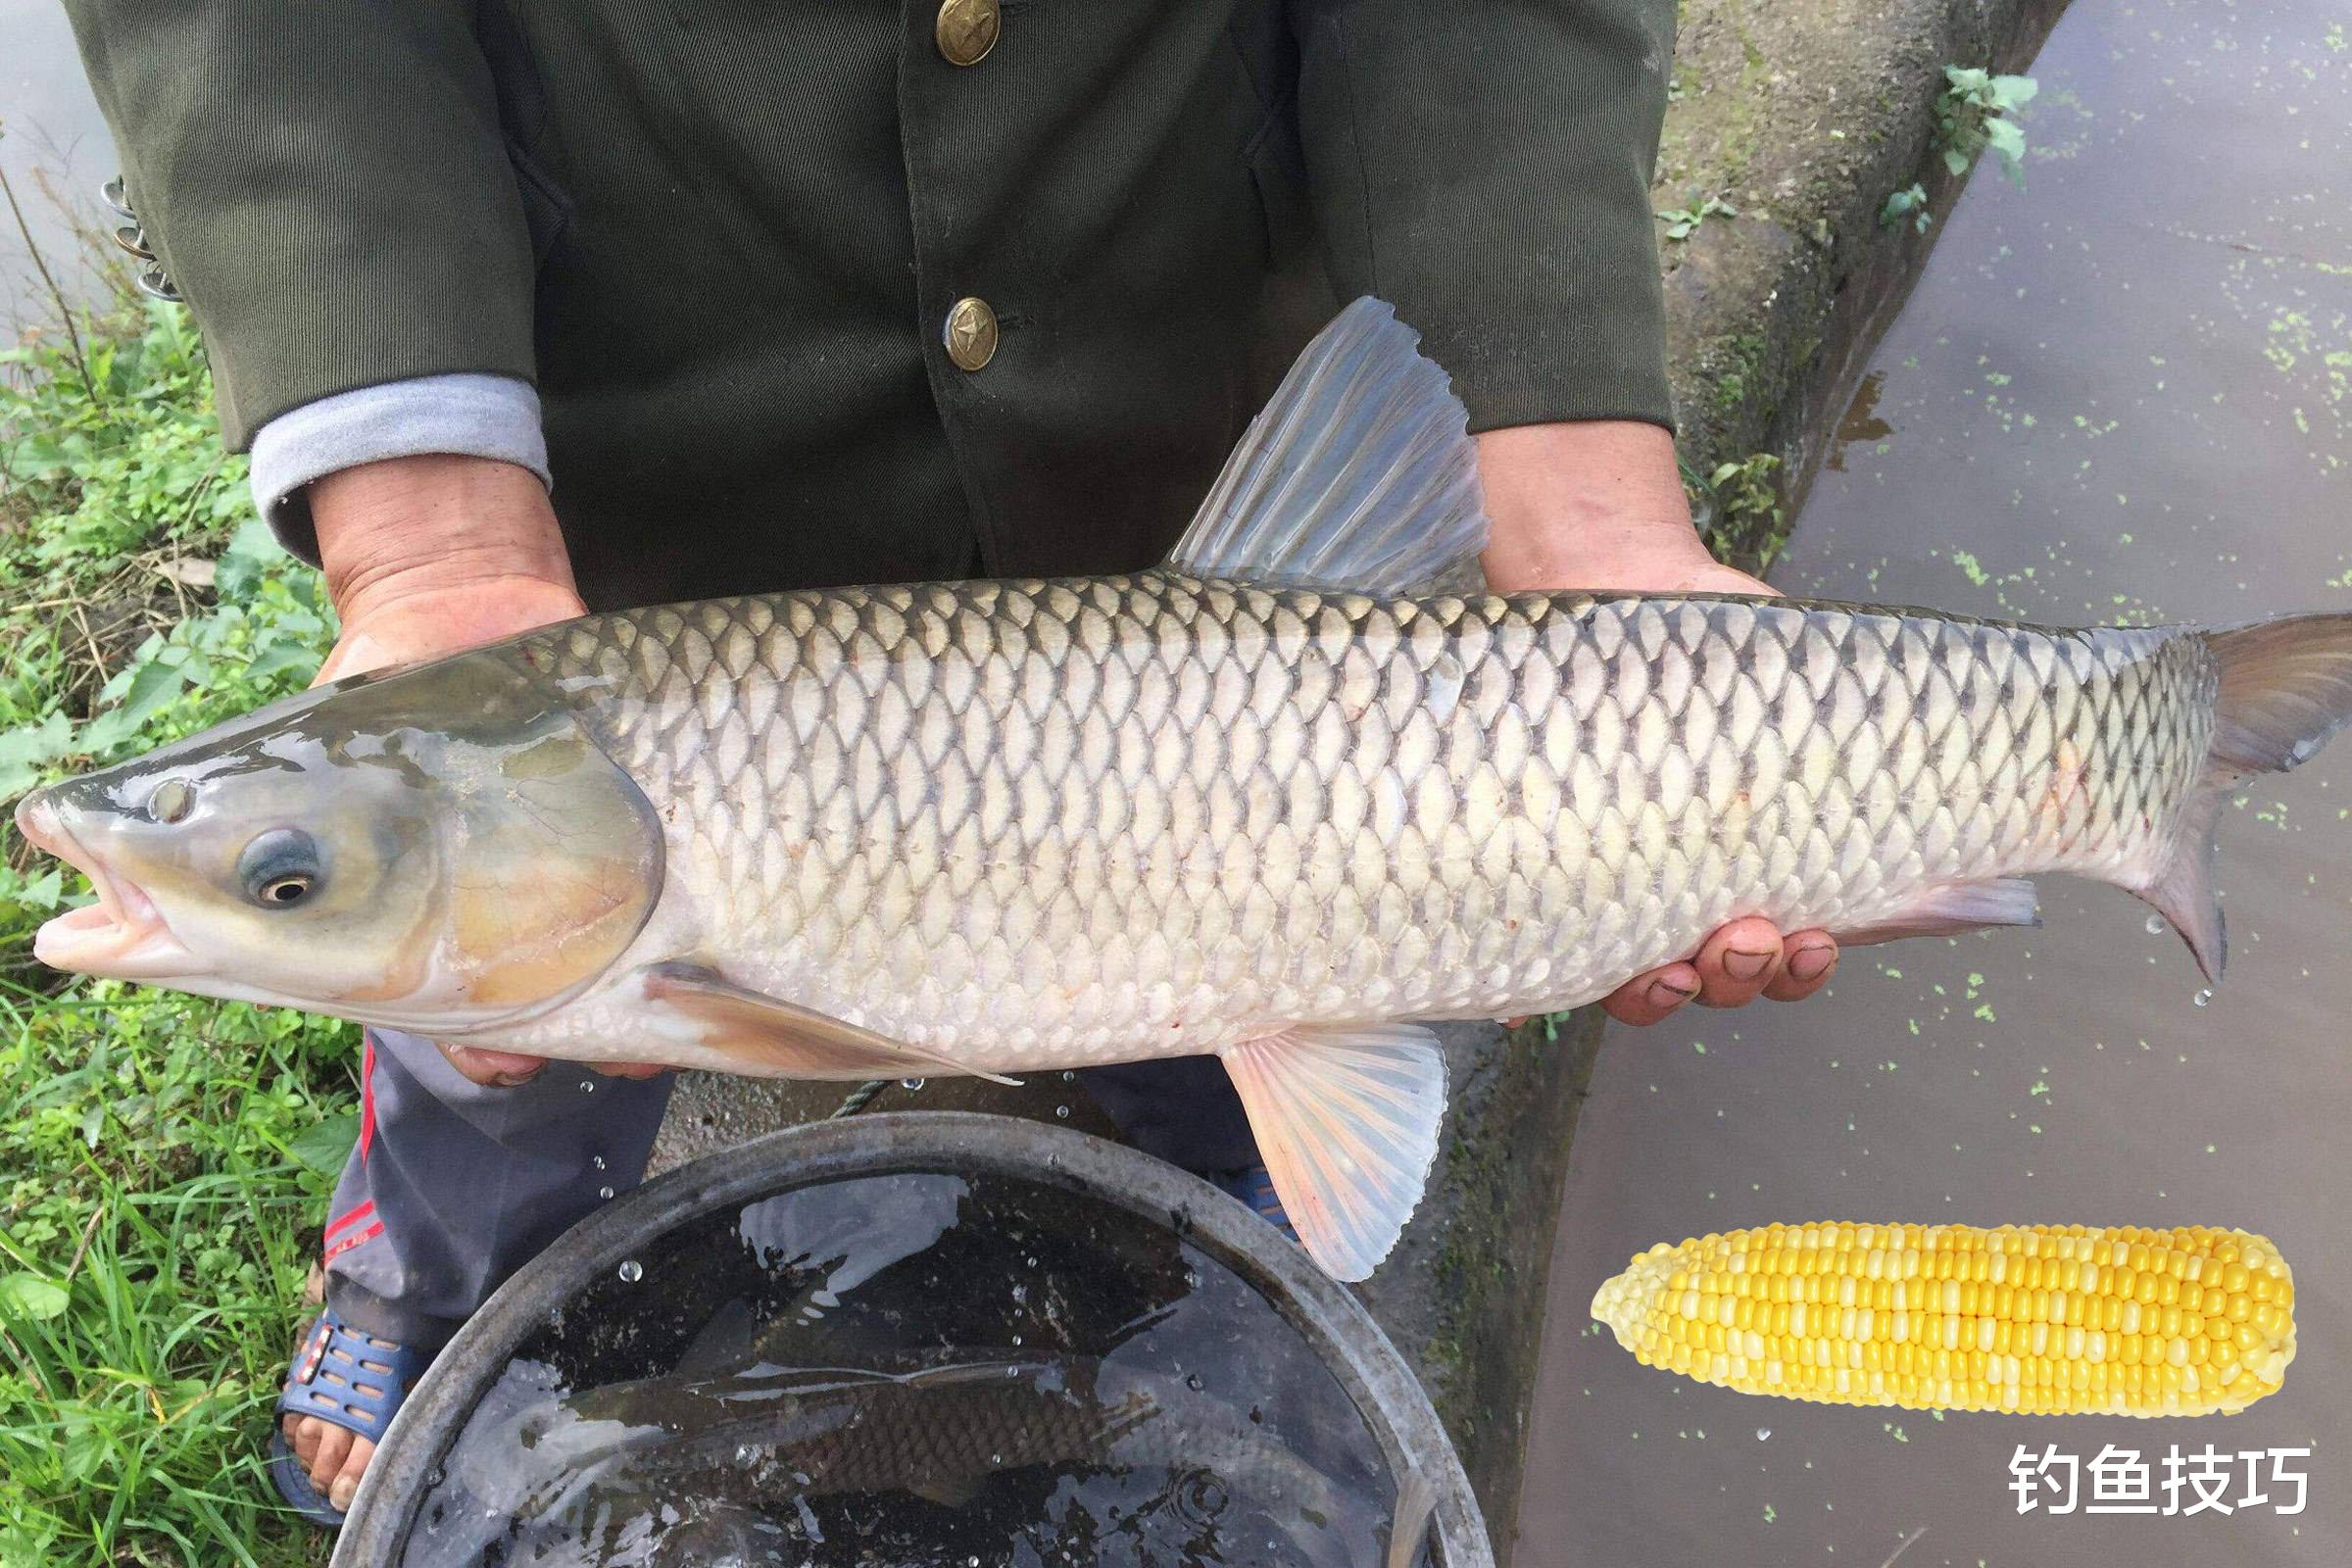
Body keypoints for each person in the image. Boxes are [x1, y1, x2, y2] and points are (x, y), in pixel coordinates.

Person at [64, 0, 1839, 1524]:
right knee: (494, 1031)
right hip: (631, 430)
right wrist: (435, 545)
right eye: (286, 877)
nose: (273, 888)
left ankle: (1199, 1196)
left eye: (283, 875)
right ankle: (430, 1265)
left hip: (1167, 355)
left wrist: (1583, 487)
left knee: (1244, 1015)